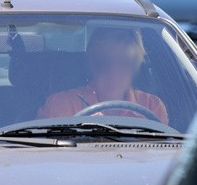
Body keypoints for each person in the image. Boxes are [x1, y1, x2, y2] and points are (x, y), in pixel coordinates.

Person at [37, 27, 169, 124]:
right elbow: (40, 153)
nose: (113, 72)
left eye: (124, 63)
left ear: (135, 66)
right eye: (104, 63)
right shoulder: (62, 105)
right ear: (92, 65)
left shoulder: (152, 107)